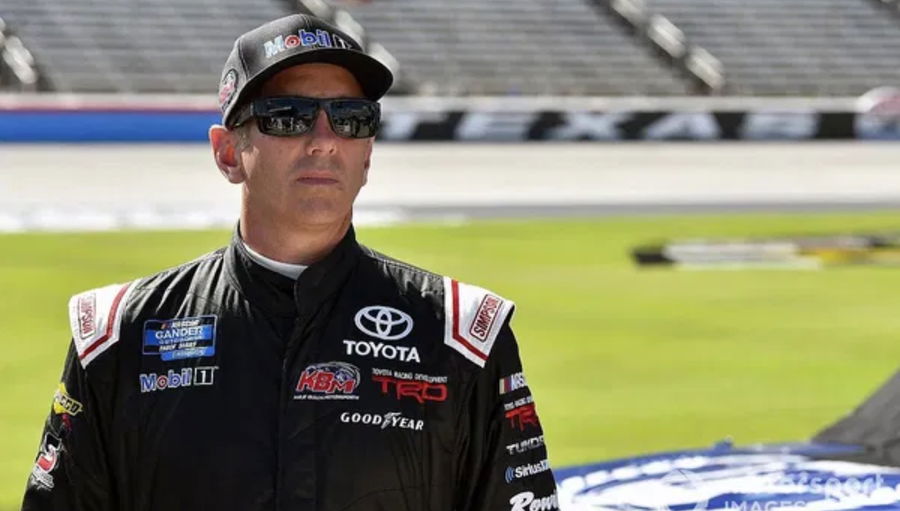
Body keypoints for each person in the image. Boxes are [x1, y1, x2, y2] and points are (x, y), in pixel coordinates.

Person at [22, 14, 557, 511]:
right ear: (227, 153)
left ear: (368, 153)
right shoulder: (120, 334)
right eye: (288, 117)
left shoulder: (461, 334)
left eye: (351, 119)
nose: (324, 141)